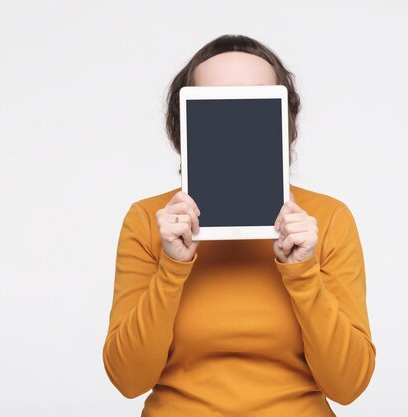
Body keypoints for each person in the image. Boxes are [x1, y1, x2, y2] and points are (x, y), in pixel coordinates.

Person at [102, 34, 376, 417]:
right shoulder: (148, 221)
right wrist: (172, 268)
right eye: (214, 104)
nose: (236, 116)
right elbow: (128, 379)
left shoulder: (327, 220)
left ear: (284, 120)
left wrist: (302, 273)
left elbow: (348, 385)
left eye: (257, 102)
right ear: (185, 124)